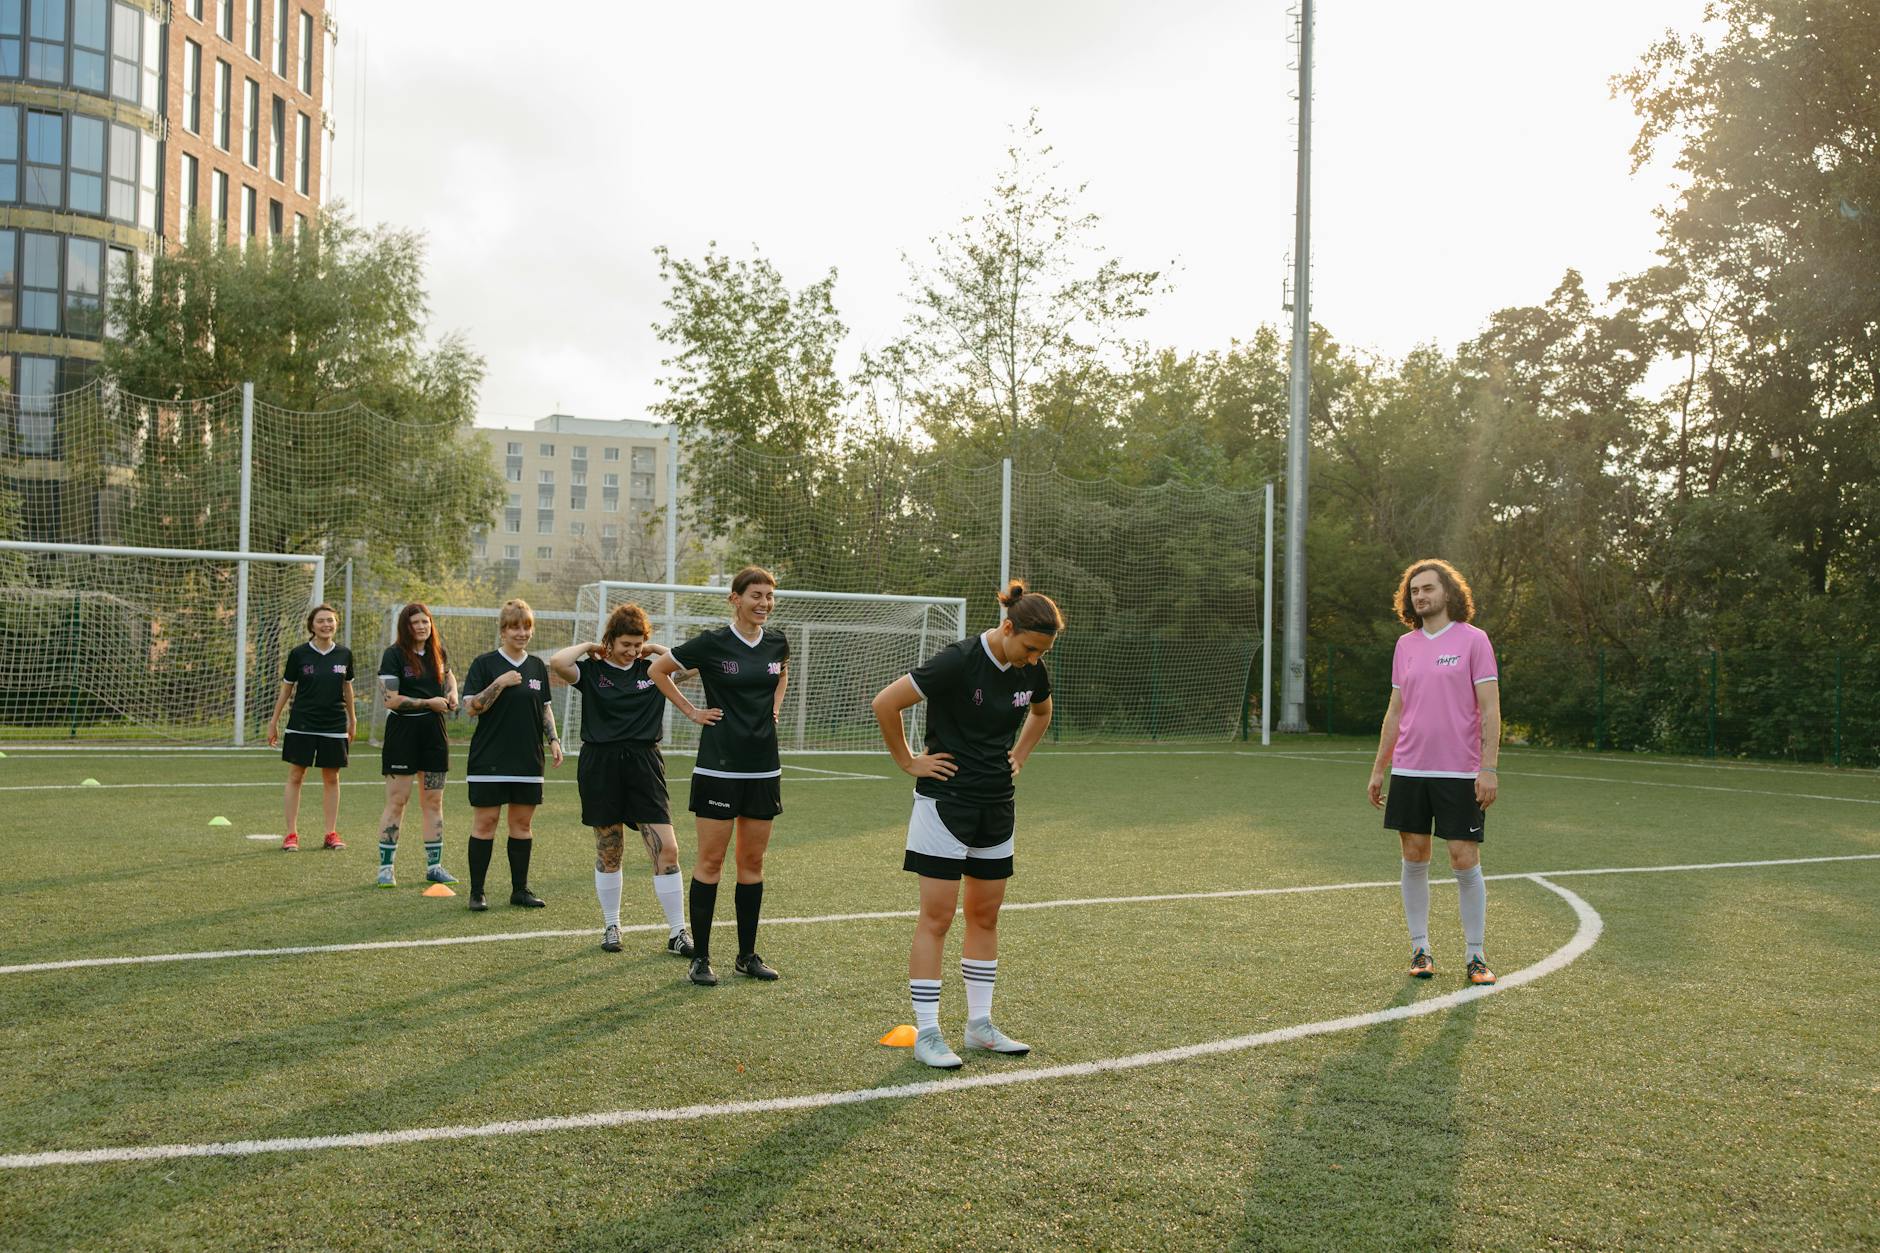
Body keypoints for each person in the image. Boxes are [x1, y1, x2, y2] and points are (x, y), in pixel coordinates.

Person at [871, 581, 1060, 1070]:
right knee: (937, 918)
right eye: (1030, 648)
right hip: (946, 805)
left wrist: (1020, 754)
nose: (1034, 660)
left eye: (1042, 653)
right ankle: (928, 1032)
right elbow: (885, 703)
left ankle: (980, 1026)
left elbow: (1041, 711)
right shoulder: (958, 660)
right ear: (1008, 627)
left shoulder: (1032, 667)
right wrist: (908, 760)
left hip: (997, 805)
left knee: (985, 916)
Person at [648, 566, 789, 987]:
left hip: (764, 767)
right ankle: (701, 958)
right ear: (735, 599)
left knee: (752, 862)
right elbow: (658, 671)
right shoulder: (712, 643)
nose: (764, 603)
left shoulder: (778, 642)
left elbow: (782, 672)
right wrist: (692, 711)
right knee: (711, 861)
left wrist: (775, 708)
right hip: (718, 767)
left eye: (769, 596)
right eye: (756, 595)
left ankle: (747, 956)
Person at [1367, 558, 1502, 986]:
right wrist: (1379, 768)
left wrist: (1489, 767)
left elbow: (1490, 709)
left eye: (1428, 588)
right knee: (1414, 856)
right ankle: (1420, 949)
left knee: (1464, 858)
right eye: (1414, 591)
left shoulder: (1474, 640)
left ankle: (1476, 955)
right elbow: (1395, 711)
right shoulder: (1405, 646)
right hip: (1410, 770)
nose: (1420, 595)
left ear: (1448, 592)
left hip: (1460, 772)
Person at [548, 603, 695, 957]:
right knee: (609, 847)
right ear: (611, 641)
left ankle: (678, 932)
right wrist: (589, 647)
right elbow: (557, 662)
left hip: (645, 763)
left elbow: (692, 667)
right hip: (601, 764)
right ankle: (612, 925)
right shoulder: (593, 671)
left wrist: (655, 649)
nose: (632, 651)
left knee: (667, 848)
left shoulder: (654, 669)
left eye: (637, 644)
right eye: (625, 644)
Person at [461, 598, 563, 911]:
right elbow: (471, 708)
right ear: (503, 630)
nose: (521, 633)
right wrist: (500, 683)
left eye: (526, 627)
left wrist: (553, 739)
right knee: (486, 823)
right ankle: (477, 893)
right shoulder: (485, 664)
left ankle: (520, 891)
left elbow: (544, 707)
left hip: (527, 758)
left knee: (522, 825)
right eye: (514, 627)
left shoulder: (537, 667)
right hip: (489, 758)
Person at [376, 603, 460, 889]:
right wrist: (428, 702)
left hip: (434, 734)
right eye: (415, 622)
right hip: (403, 734)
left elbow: (449, 675)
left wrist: (452, 693)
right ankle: (386, 868)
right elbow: (390, 699)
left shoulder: (439, 652)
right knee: (397, 801)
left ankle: (434, 866)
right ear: (406, 626)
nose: (422, 626)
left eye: (426, 621)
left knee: (434, 801)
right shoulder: (394, 655)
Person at [266, 603, 354, 852]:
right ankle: (291, 834)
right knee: (296, 775)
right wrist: (273, 722)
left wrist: (353, 719)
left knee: (332, 777)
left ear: (336, 624)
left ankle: (330, 833)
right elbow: (286, 689)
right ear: (312, 626)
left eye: (330, 620)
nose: (326, 625)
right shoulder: (299, 654)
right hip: (302, 723)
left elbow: (347, 688)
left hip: (334, 723)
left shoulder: (344, 654)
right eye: (321, 621)